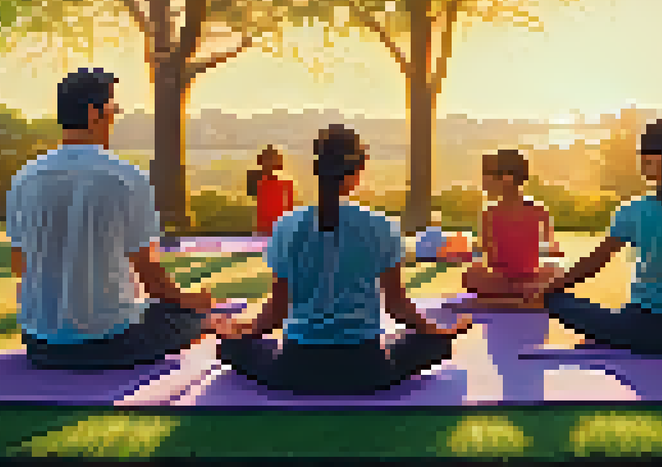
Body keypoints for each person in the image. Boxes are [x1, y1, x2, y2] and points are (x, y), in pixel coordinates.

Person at [213, 124, 475, 394]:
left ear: (317, 169)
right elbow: (397, 307)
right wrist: (438, 331)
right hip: (367, 369)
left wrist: (240, 333)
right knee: (435, 345)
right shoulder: (382, 225)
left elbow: (275, 314)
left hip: (295, 368)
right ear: (356, 174)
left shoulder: (286, 226)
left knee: (230, 347)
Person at [7, 68, 225, 370]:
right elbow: (150, 276)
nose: (115, 117)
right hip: (112, 342)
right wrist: (191, 301)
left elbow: (21, 265)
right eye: (113, 108)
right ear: (95, 113)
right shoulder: (126, 177)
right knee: (191, 317)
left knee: (158, 310)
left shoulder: (23, 178)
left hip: (39, 343)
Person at [522, 119, 662, 355]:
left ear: (656, 159)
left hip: (642, 329)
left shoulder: (633, 209)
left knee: (558, 302)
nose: (640, 163)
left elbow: (594, 263)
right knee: (618, 322)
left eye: (642, 156)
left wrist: (549, 289)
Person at [461, 150, 561, 307]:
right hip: (528, 280)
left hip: (506, 279)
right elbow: (552, 249)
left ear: (507, 178)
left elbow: (491, 259)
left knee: (472, 274)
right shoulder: (540, 209)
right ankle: (525, 292)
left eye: (488, 177)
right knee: (554, 271)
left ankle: (514, 292)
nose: (484, 184)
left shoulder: (490, 212)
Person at [250, 145, 296, 237]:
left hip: (278, 230)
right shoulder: (258, 180)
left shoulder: (286, 183)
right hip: (264, 230)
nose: (268, 163)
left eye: (271, 159)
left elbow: (290, 208)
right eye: (267, 159)